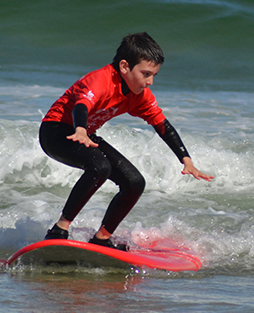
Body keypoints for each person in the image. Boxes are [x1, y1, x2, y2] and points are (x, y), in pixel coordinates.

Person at [39, 32, 213, 250]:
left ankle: (102, 239)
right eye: (145, 74)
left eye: (154, 76)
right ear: (124, 67)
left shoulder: (139, 94)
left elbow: (163, 126)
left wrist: (186, 160)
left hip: (85, 134)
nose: (149, 82)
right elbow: (81, 105)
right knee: (99, 167)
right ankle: (59, 230)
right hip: (55, 131)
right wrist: (81, 129)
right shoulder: (101, 80)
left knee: (134, 183)